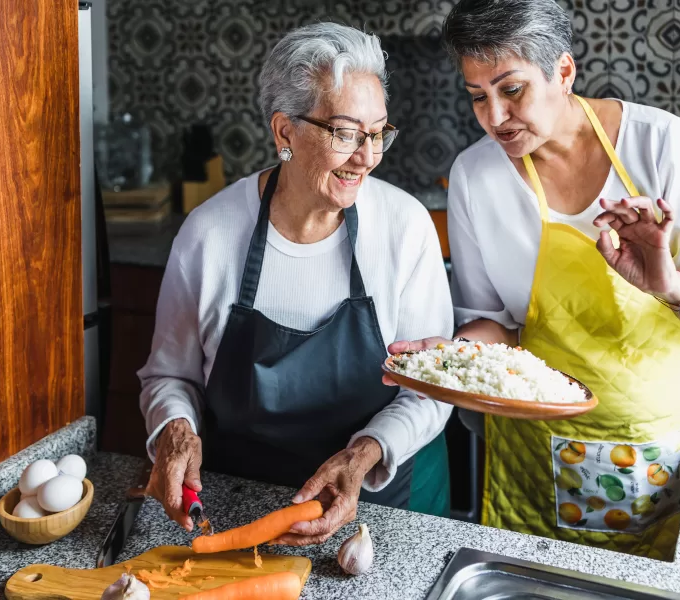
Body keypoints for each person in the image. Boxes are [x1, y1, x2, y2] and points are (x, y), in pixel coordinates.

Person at [386, 0, 680, 559]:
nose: (494, 117)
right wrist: (450, 358)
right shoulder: (475, 176)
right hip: (536, 452)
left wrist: (671, 285)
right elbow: (497, 327)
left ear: (563, 71)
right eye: (477, 96)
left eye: (511, 90)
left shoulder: (656, 143)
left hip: (666, 444)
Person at [137, 22, 454, 546]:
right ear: (285, 132)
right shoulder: (209, 235)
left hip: (385, 511)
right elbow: (169, 376)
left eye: (378, 133)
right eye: (346, 133)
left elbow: (432, 388)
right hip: (243, 513)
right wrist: (174, 427)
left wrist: (365, 453)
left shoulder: (405, 226)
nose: (368, 156)